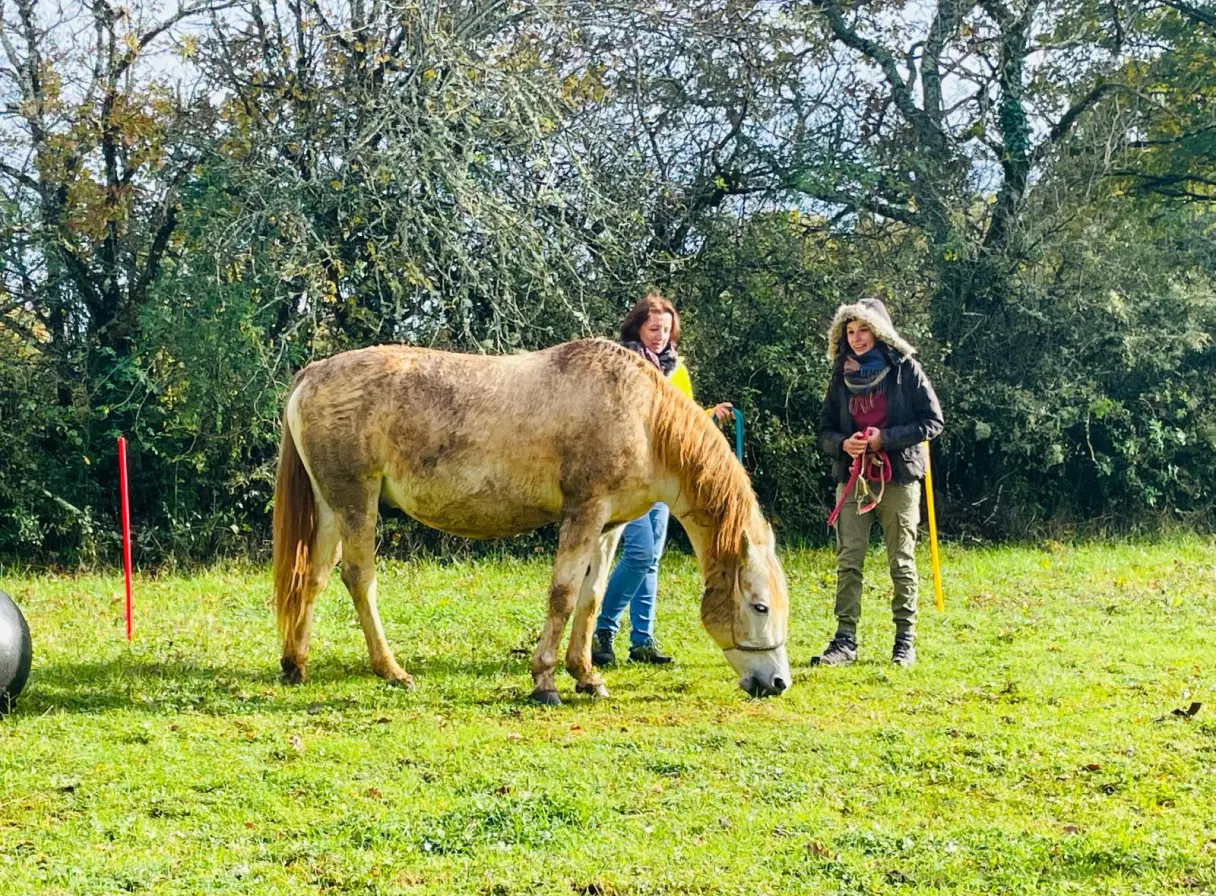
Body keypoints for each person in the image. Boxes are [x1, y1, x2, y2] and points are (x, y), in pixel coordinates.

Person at [590, 290, 733, 667]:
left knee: (651, 557)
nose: (660, 336)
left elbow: (681, 422)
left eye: (666, 330)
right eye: (653, 328)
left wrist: (708, 417)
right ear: (638, 327)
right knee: (639, 554)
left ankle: (642, 640)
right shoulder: (623, 366)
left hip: (665, 477)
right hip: (632, 475)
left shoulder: (676, 369)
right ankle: (602, 630)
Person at [815, 298, 943, 668]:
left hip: (899, 477)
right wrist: (844, 443)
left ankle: (905, 641)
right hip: (853, 479)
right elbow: (824, 430)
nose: (856, 338)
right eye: (849, 331)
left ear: (879, 331)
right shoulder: (840, 374)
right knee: (848, 560)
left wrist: (881, 439)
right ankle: (844, 642)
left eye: (863, 330)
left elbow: (932, 422)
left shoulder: (906, 369)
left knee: (900, 561)